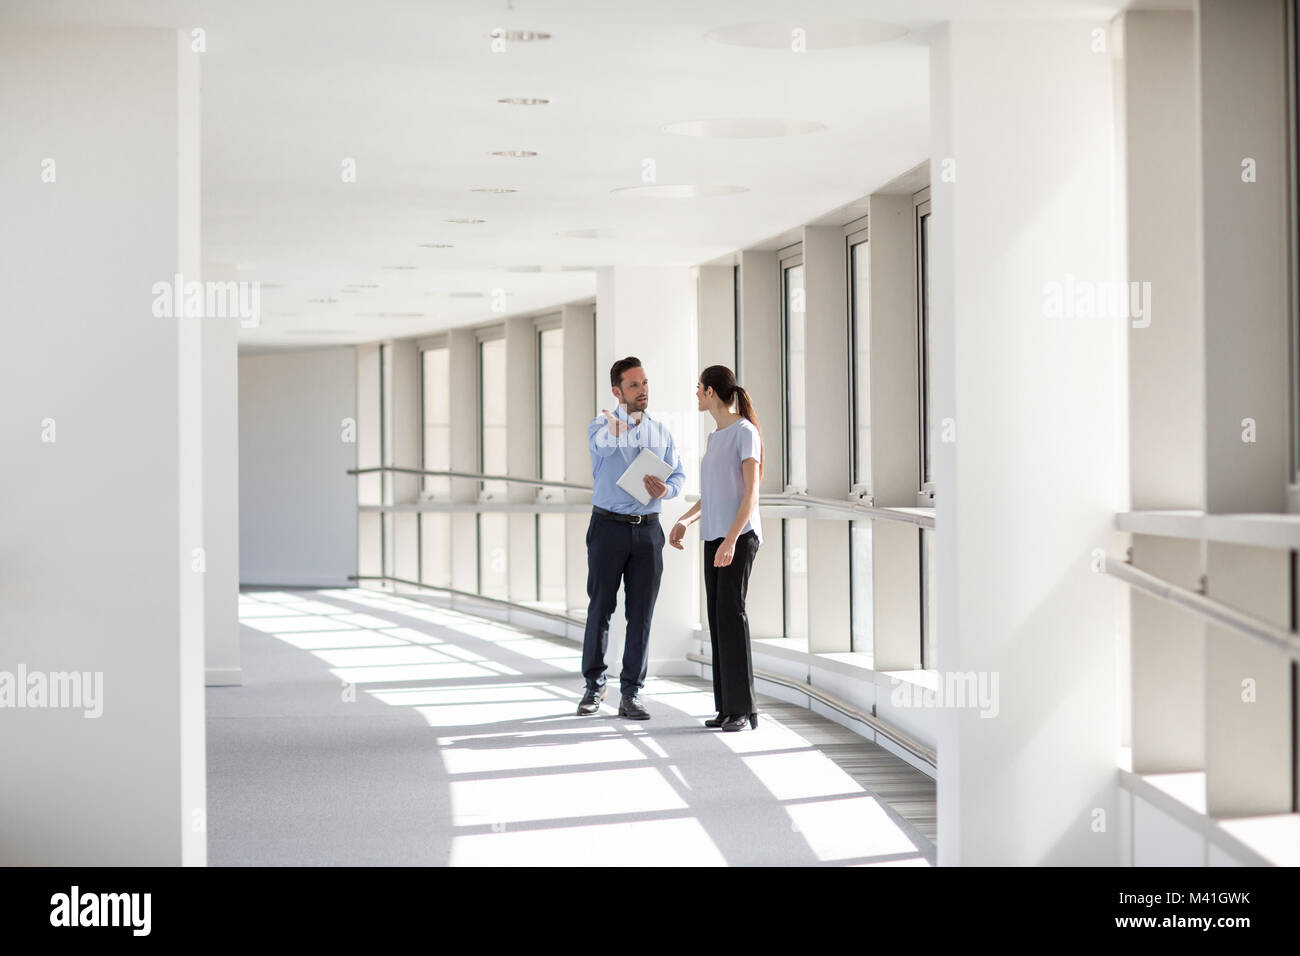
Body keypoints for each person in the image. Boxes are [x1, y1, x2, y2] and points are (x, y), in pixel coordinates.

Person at [577, 357, 686, 719]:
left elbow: (679, 477)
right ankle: (594, 686)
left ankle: (631, 693)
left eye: (645, 383)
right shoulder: (600, 426)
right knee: (601, 609)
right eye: (634, 385)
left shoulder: (661, 432)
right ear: (617, 391)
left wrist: (665, 490)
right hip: (608, 528)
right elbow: (604, 448)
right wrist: (619, 425)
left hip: (647, 532)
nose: (643, 391)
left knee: (641, 614)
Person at [670, 365, 763, 732]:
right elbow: (712, 496)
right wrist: (685, 520)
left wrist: (731, 539)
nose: (695, 395)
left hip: (738, 538)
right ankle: (726, 708)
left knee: (732, 615)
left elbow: (751, 493)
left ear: (710, 392)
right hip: (715, 538)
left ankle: (743, 710)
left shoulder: (745, 433)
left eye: (698, 389)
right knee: (717, 619)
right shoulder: (716, 436)